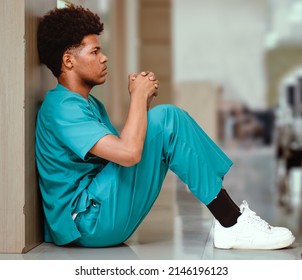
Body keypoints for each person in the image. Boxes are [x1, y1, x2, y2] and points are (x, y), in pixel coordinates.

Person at [35, 5, 295, 250]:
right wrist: (137, 98)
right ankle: (231, 221)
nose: (104, 58)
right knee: (167, 118)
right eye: (95, 52)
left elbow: (124, 154)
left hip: (96, 215)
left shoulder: (87, 104)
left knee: (166, 120)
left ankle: (231, 217)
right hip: (86, 223)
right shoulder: (62, 107)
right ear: (68, 61)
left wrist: (142, 103)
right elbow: (129, 154)